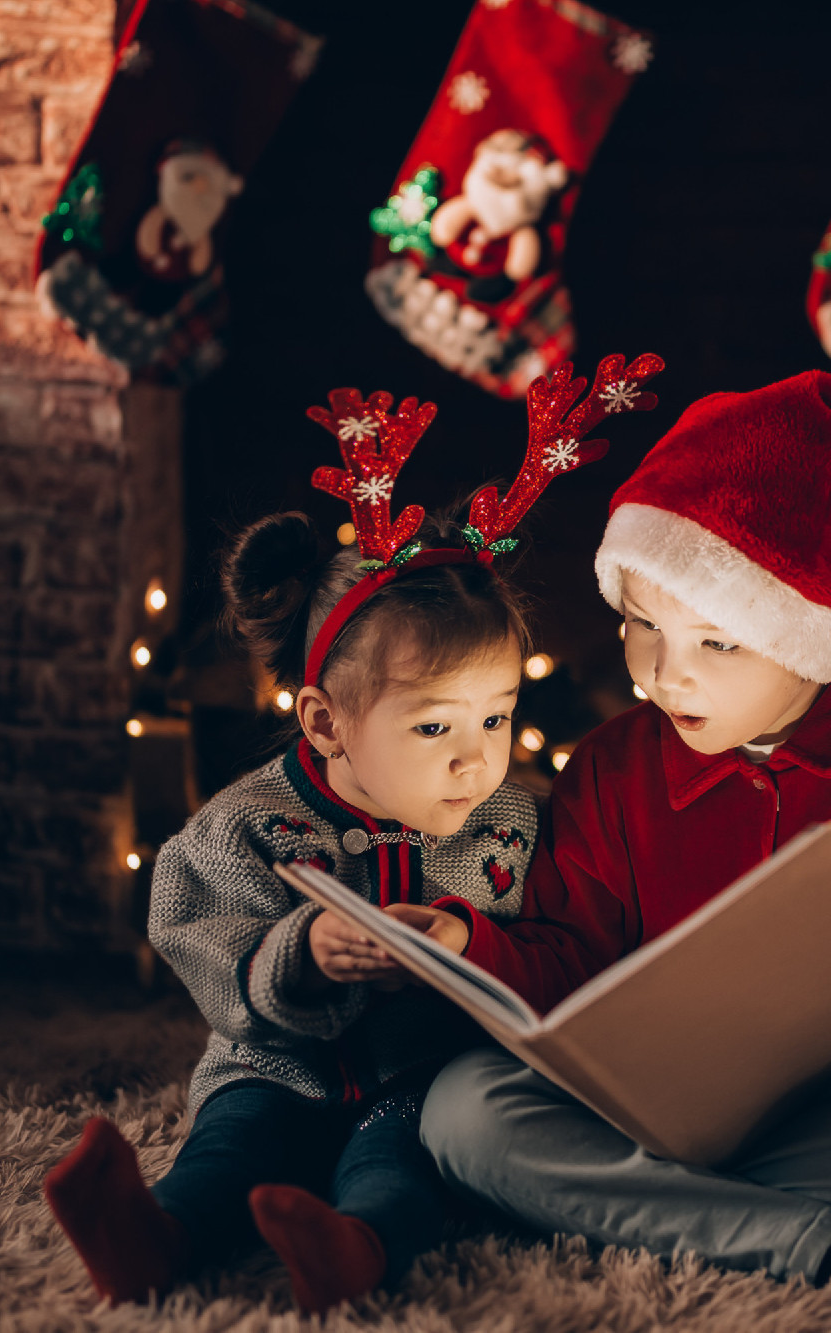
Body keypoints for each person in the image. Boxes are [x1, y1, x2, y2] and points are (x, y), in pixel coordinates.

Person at [398, 371, 831, 1306]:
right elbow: (567, 955)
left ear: (814, 639)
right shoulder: (613, 765)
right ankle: (827, 1246)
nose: (666, 675)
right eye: (641, 627)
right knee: (463, 1109)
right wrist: (473, 942)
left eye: (719, 643)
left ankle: (632, 1212)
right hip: (644, 1110)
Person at [40, 365, 662, 1312]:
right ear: (327, 724)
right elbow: (187, 915)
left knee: (405, 1161)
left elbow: (556, 949)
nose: (475, 760)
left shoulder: (516, 822)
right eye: (433, 727)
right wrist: (296, 950)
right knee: (232, 1142)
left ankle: (354, 1243)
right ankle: (153, 1233)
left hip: (423, 1074)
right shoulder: (250, 821)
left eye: (496, 718)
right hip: (275, 1065)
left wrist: (471, 947)